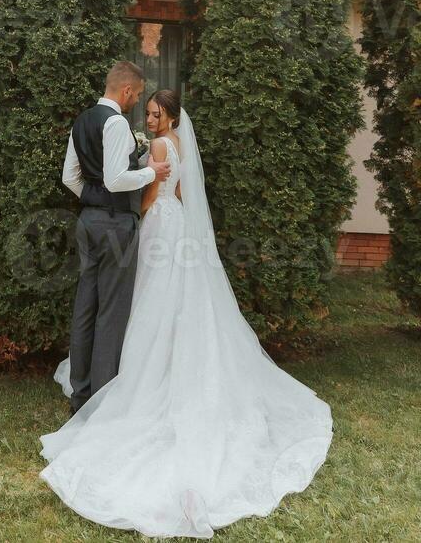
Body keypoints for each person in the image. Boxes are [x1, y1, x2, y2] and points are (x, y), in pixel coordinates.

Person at [43, 88, 333, 538]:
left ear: (172, 118)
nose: (151, 120)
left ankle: (138, 373)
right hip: (176, 220)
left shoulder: (159, 146)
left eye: (157, 114)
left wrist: (132, 215)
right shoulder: (178, 146)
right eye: (150, 114)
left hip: (157, 222)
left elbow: (151, 193)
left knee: (146, 298)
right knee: (172, 298)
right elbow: (178, 190)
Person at [58, 60, 172, 415]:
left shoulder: (81, 121)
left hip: (88, 221)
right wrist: (150, 172)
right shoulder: (116, 122)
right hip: (114, 225)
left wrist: (91, 203)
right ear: (125, 91)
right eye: (137, 95)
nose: (136, 101)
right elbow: (116, 179)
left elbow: (70, 177)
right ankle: (102, 402)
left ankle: (80, 395)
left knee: (86, 307)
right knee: (111, 311)